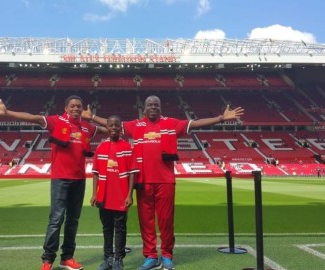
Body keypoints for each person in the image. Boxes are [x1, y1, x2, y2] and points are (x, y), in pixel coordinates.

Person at [83, 95, 244, 270]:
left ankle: (167, 255)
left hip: (165, 181)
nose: (153, 107)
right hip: (143, 181)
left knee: (166, 221)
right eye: (150, 104)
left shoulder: (172, 124)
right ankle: (151, 256)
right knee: (146, 221)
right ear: (144, 108)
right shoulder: (135, 125)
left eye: (156, 105)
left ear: (160, 108)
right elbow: (111, 124)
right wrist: (91, 117)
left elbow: (196, 123)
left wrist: (221, 118)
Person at [0, 95, 105, 270]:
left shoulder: (87, 127)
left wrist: (93, 117)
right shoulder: (56, 121)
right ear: (66, 108)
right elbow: (33, 117)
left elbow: (111, 129)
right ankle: (47, 260)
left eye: (79, 106)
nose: (76, 109)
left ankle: (67, 258)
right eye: (72, 106)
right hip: (60, 179)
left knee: (73, 220)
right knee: (56, 220)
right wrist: (7, 112)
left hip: (79, 180)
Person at [90, 115, 138, 270]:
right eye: (111, 125)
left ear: (120, 128)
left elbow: (132, 173)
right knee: (107, 228)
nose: (114, 128)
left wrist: (130, 195)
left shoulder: (127, 148)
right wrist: (94, 194)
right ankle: (108, 258)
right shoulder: (100, 148)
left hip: (120, 197)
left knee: (120, 228)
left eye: (117, 125)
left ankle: (118, 259)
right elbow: (96, 173)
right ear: (107, 128)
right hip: (103, 196)